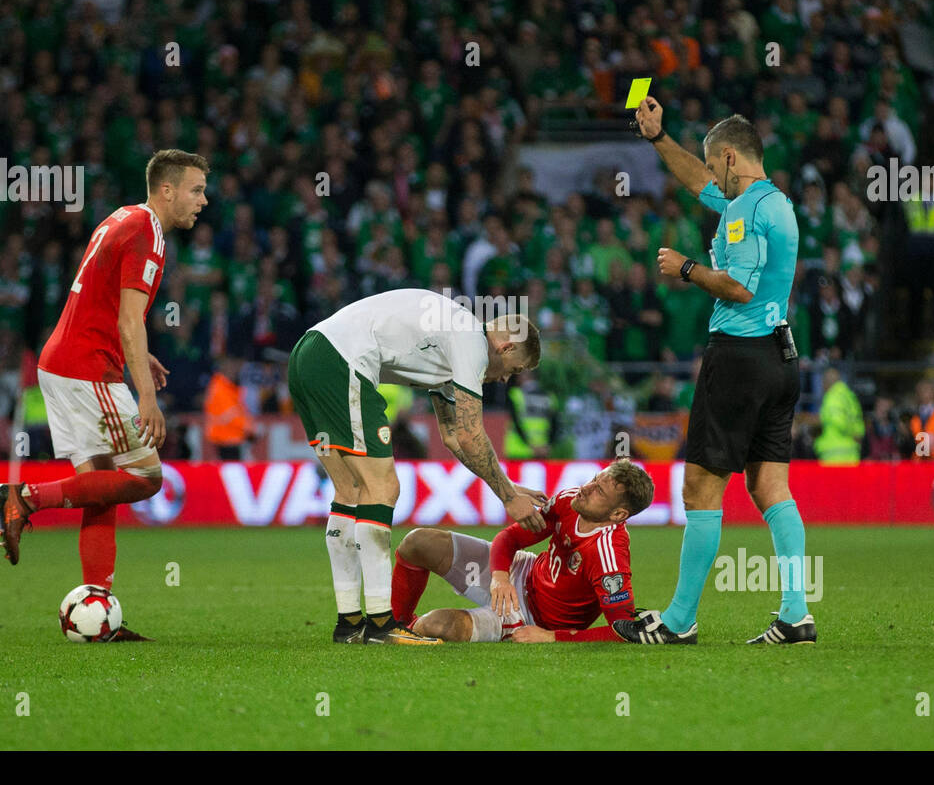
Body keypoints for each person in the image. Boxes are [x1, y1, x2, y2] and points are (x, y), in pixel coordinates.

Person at [616, 102, 814, 645]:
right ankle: (796, 614)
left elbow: (739, 287)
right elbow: (700, 182)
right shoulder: (776, 204)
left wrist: (685, 268)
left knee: (701, 489)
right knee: (772, 488)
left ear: (731, 157)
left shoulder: (744, 211)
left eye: (715, 165)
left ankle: (679, 621)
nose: (712, 180)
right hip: (781, 358)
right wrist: (658, 139)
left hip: (739, 358)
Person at [0, 149, 210, 642]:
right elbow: (130, 321)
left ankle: (98, 608)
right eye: (196, 190)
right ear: (167, 189)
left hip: (63, 363)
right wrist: (146, 399)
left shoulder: (122, 217)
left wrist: (138, 355)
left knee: (102, 490)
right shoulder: (150, 234)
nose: (203, 200)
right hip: (90, 370)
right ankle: (25, 497)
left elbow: (105, 303)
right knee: (147, 477)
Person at [287, 288, 546, 645]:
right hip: (341, 360)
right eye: (512, 370)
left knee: (351, 491)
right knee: (384, 489)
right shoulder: (470, 341)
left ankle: (349, 622)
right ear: (504, 347)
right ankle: (380, 625)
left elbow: (453, 436)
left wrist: (507, 487)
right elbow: (472, 435)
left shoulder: (451, 343)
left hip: (309, 354)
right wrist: (506, 498)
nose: (504, 380)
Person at [390, 462, 653, 642]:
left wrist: (551, 637)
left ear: (618, 514)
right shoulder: (570, 500)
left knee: (435, 626)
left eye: (599, 490)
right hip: (522, 572)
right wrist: (500, 577)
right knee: (418, 542)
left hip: (530, 619)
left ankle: (412, 630)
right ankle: (394, 626)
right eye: (594, 479)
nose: (585, 487)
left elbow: (623, 630)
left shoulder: (609, 556)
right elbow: (511, 536)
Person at [814, 367, 864, 464]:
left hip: (834, 455)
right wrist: (855, 435)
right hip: (852, 453)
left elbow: (838, 421)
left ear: (826, 383)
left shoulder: (832, 396)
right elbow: (859, 424)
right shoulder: (850, 396)